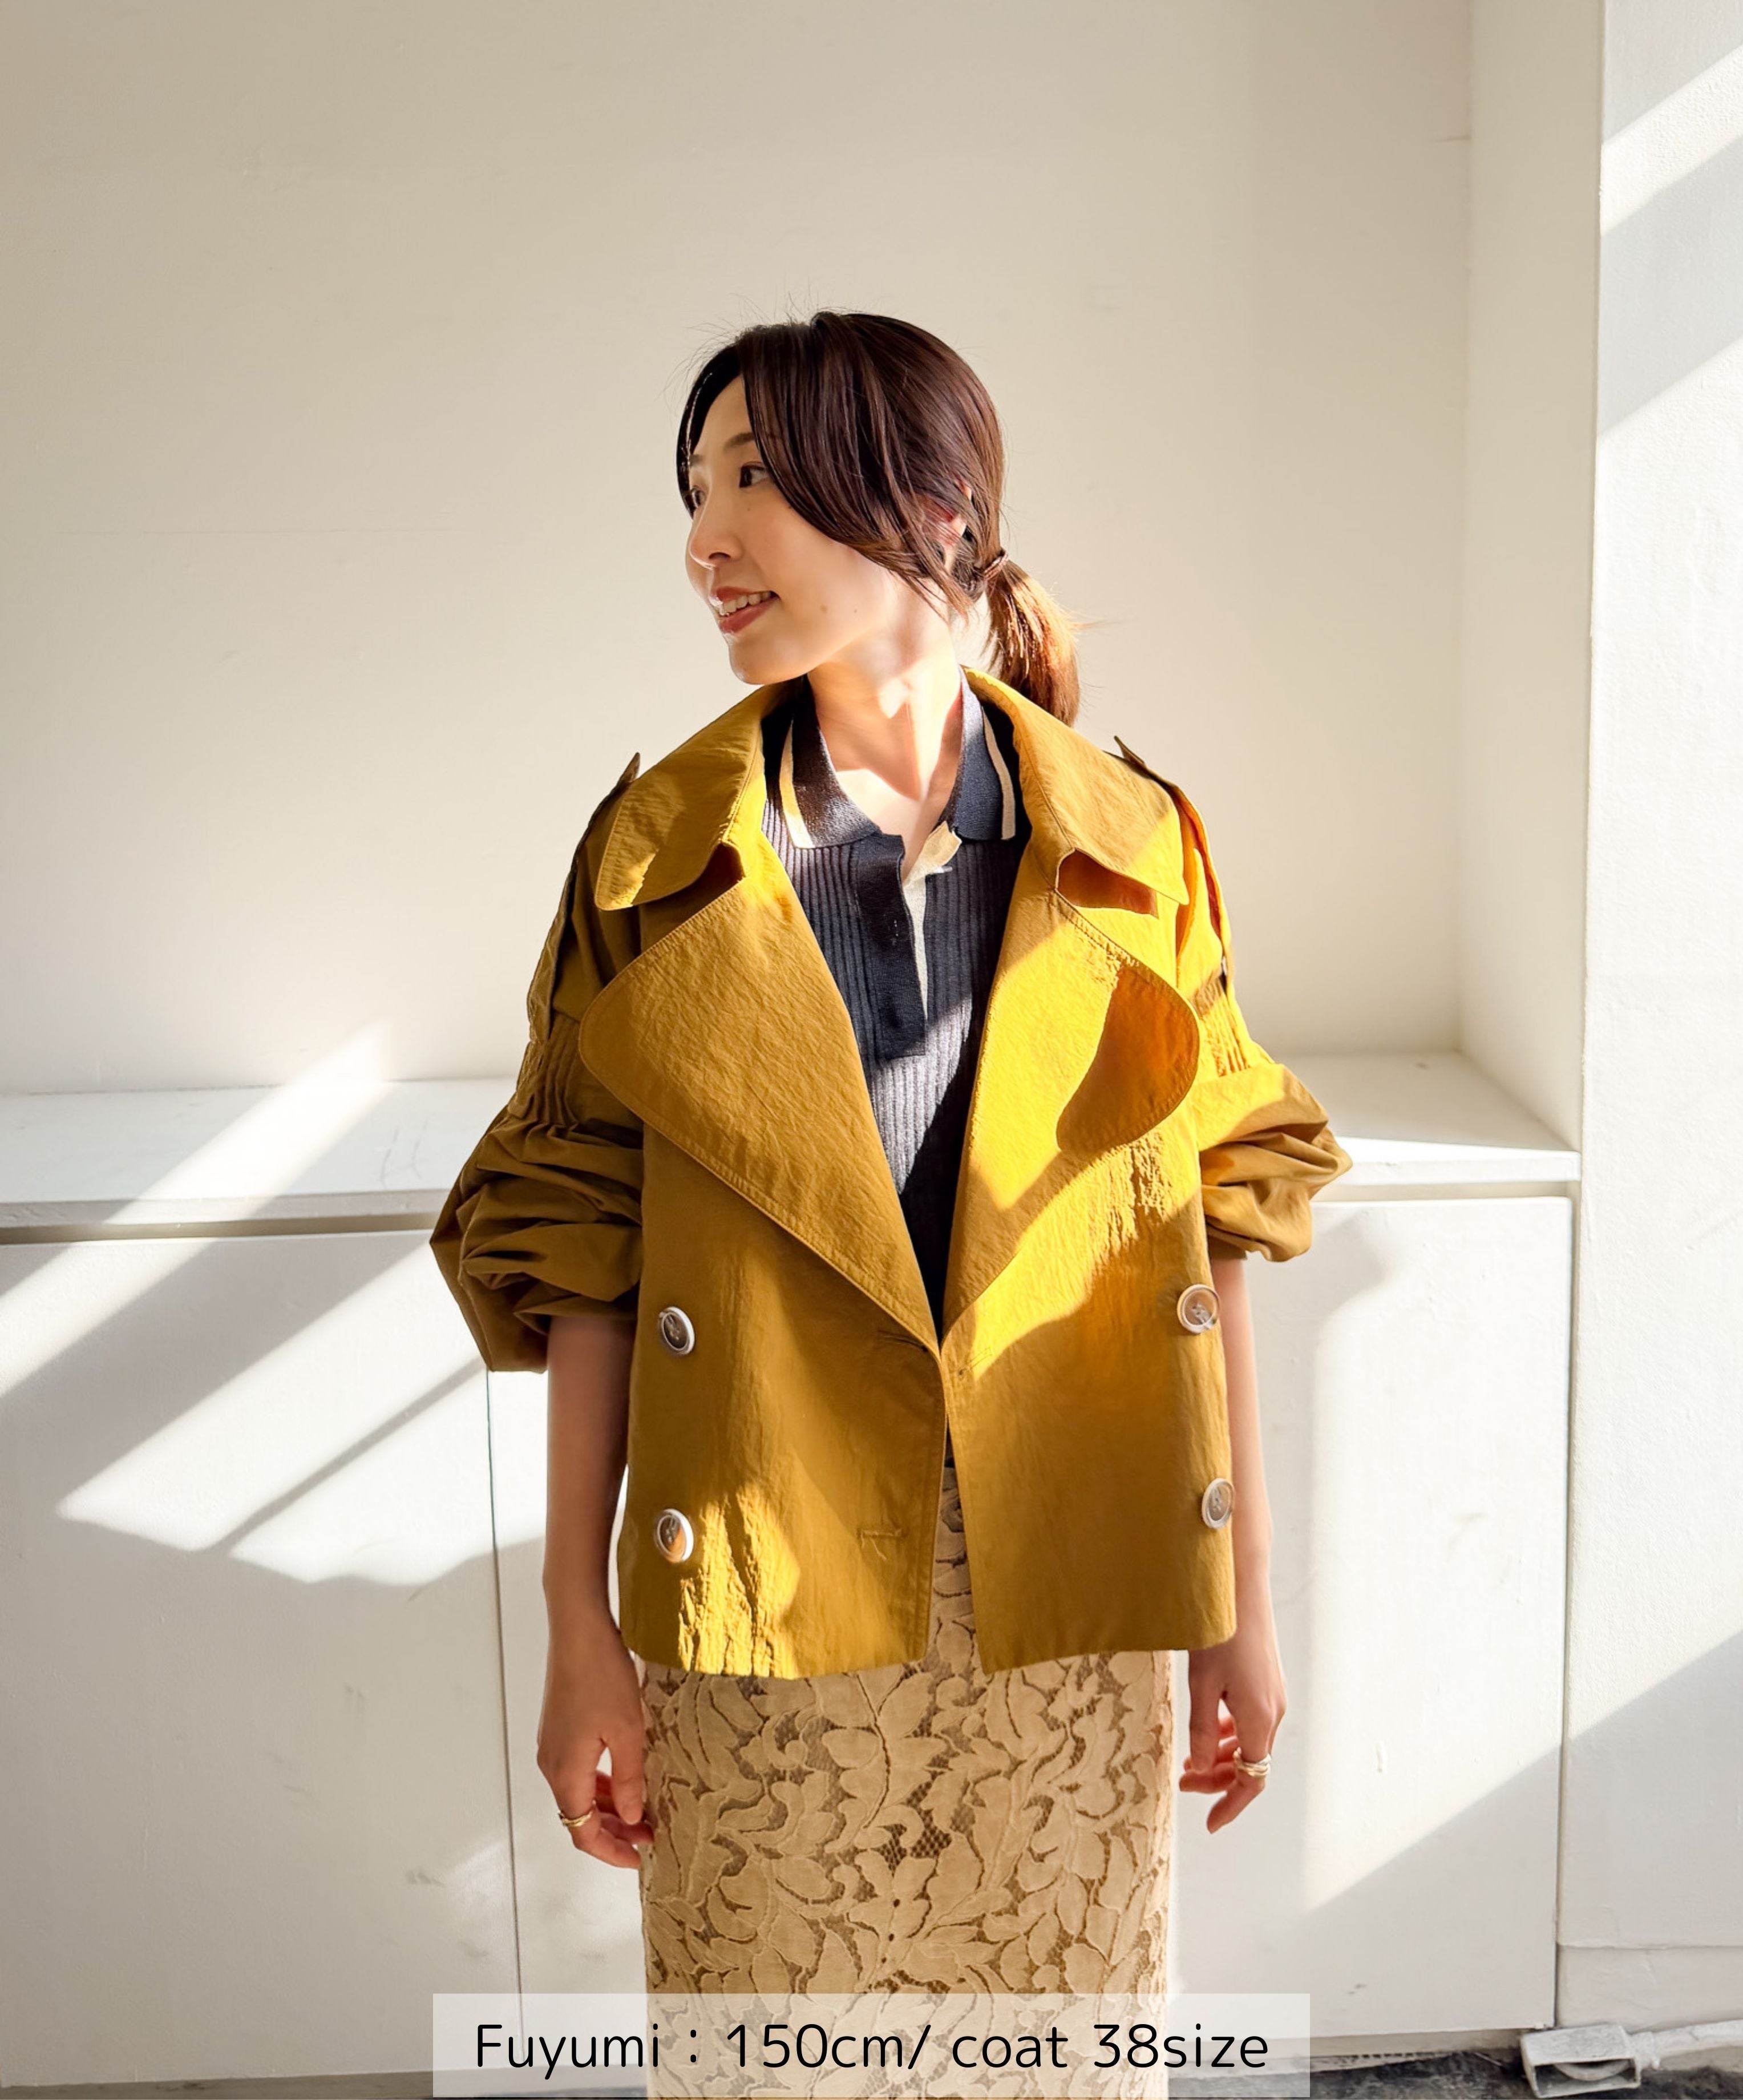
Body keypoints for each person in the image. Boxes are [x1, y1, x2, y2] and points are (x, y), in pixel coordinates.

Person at [431, 311, 1350, 2000]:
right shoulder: (656, 858)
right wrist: (579, 1629)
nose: (705, 541)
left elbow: (1212, 1228)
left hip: (1075, 1572)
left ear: (936, 509)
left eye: (754, 481)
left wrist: (1244, 1611)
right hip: (763, 1572)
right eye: (696, 490)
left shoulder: (1133, 843)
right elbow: (582, 1249)